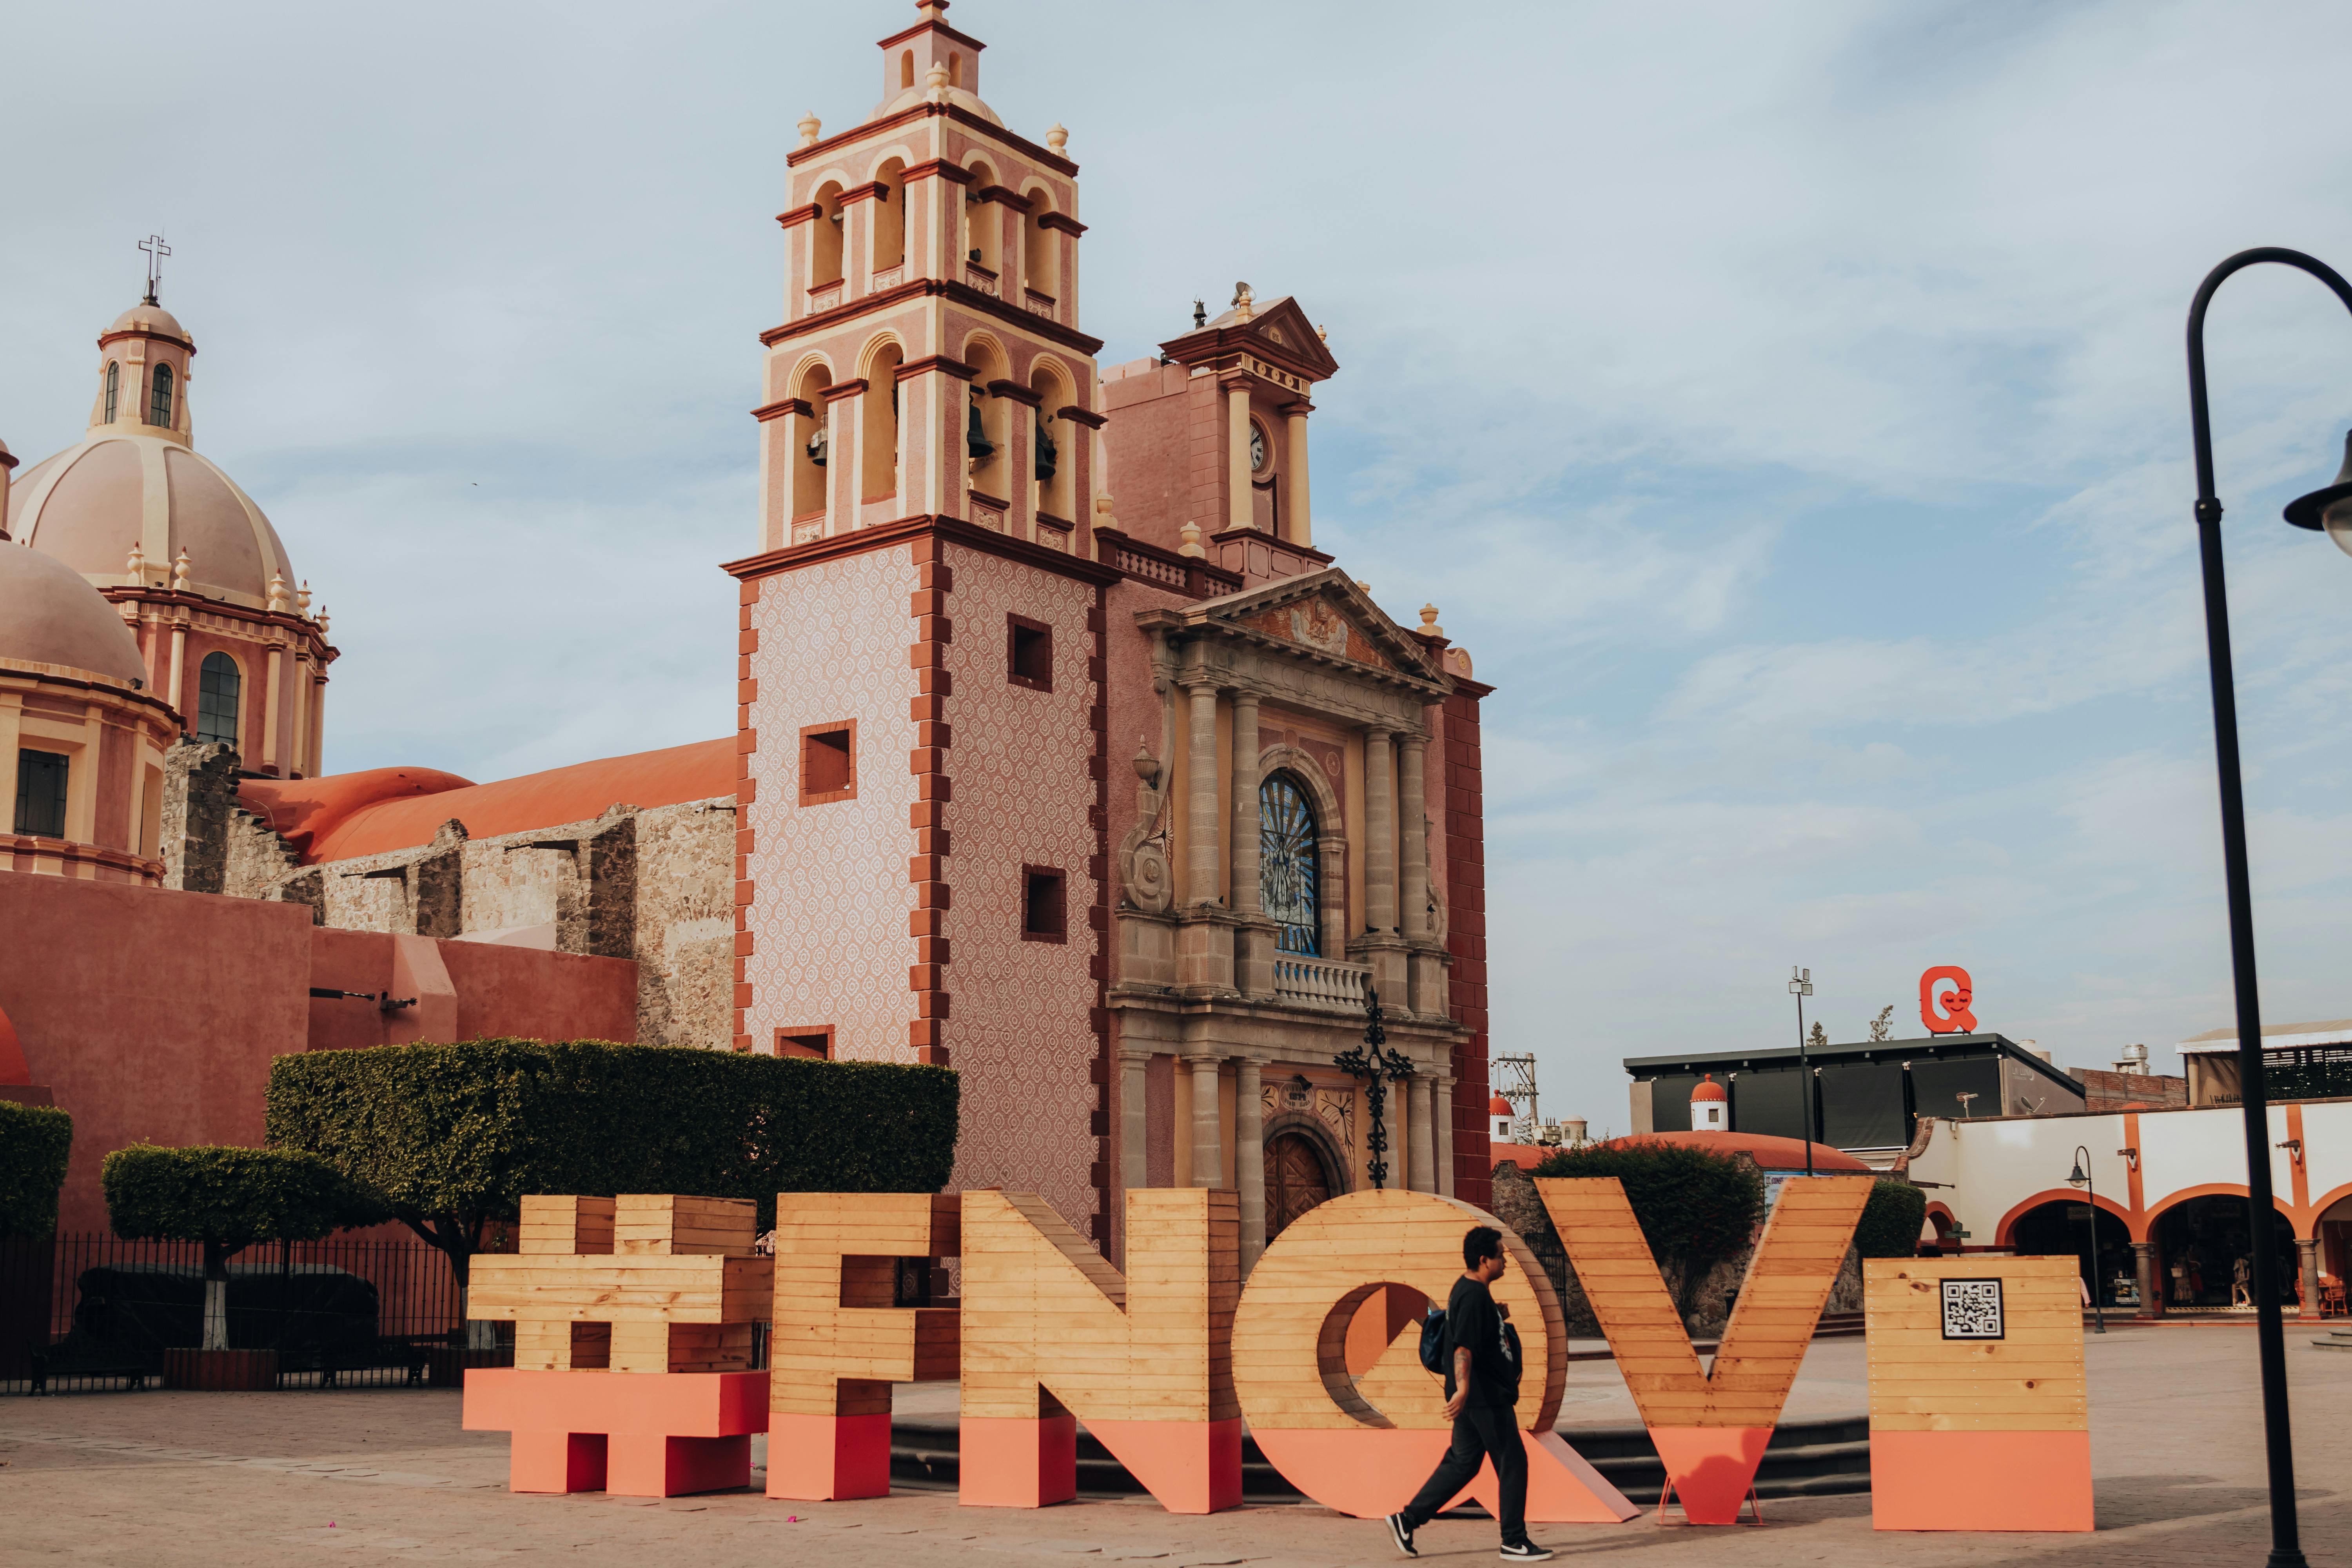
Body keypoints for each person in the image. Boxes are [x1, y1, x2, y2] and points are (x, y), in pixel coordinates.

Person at [1385, 1226, 1551, 1562]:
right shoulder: (1474, 1296)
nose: (1505, 1261)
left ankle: (1407, 1519)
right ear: (1483, 1259)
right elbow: (1463, 1347)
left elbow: (1472, 1332)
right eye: (1501, 1255)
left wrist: (1496, 1317)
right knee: (1512, 1462)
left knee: (1463, 1463)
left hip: (1475, 1397)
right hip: (1484, 1397)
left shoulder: (1469, 1290)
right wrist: (1462, 1389)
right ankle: (1514, 1541)